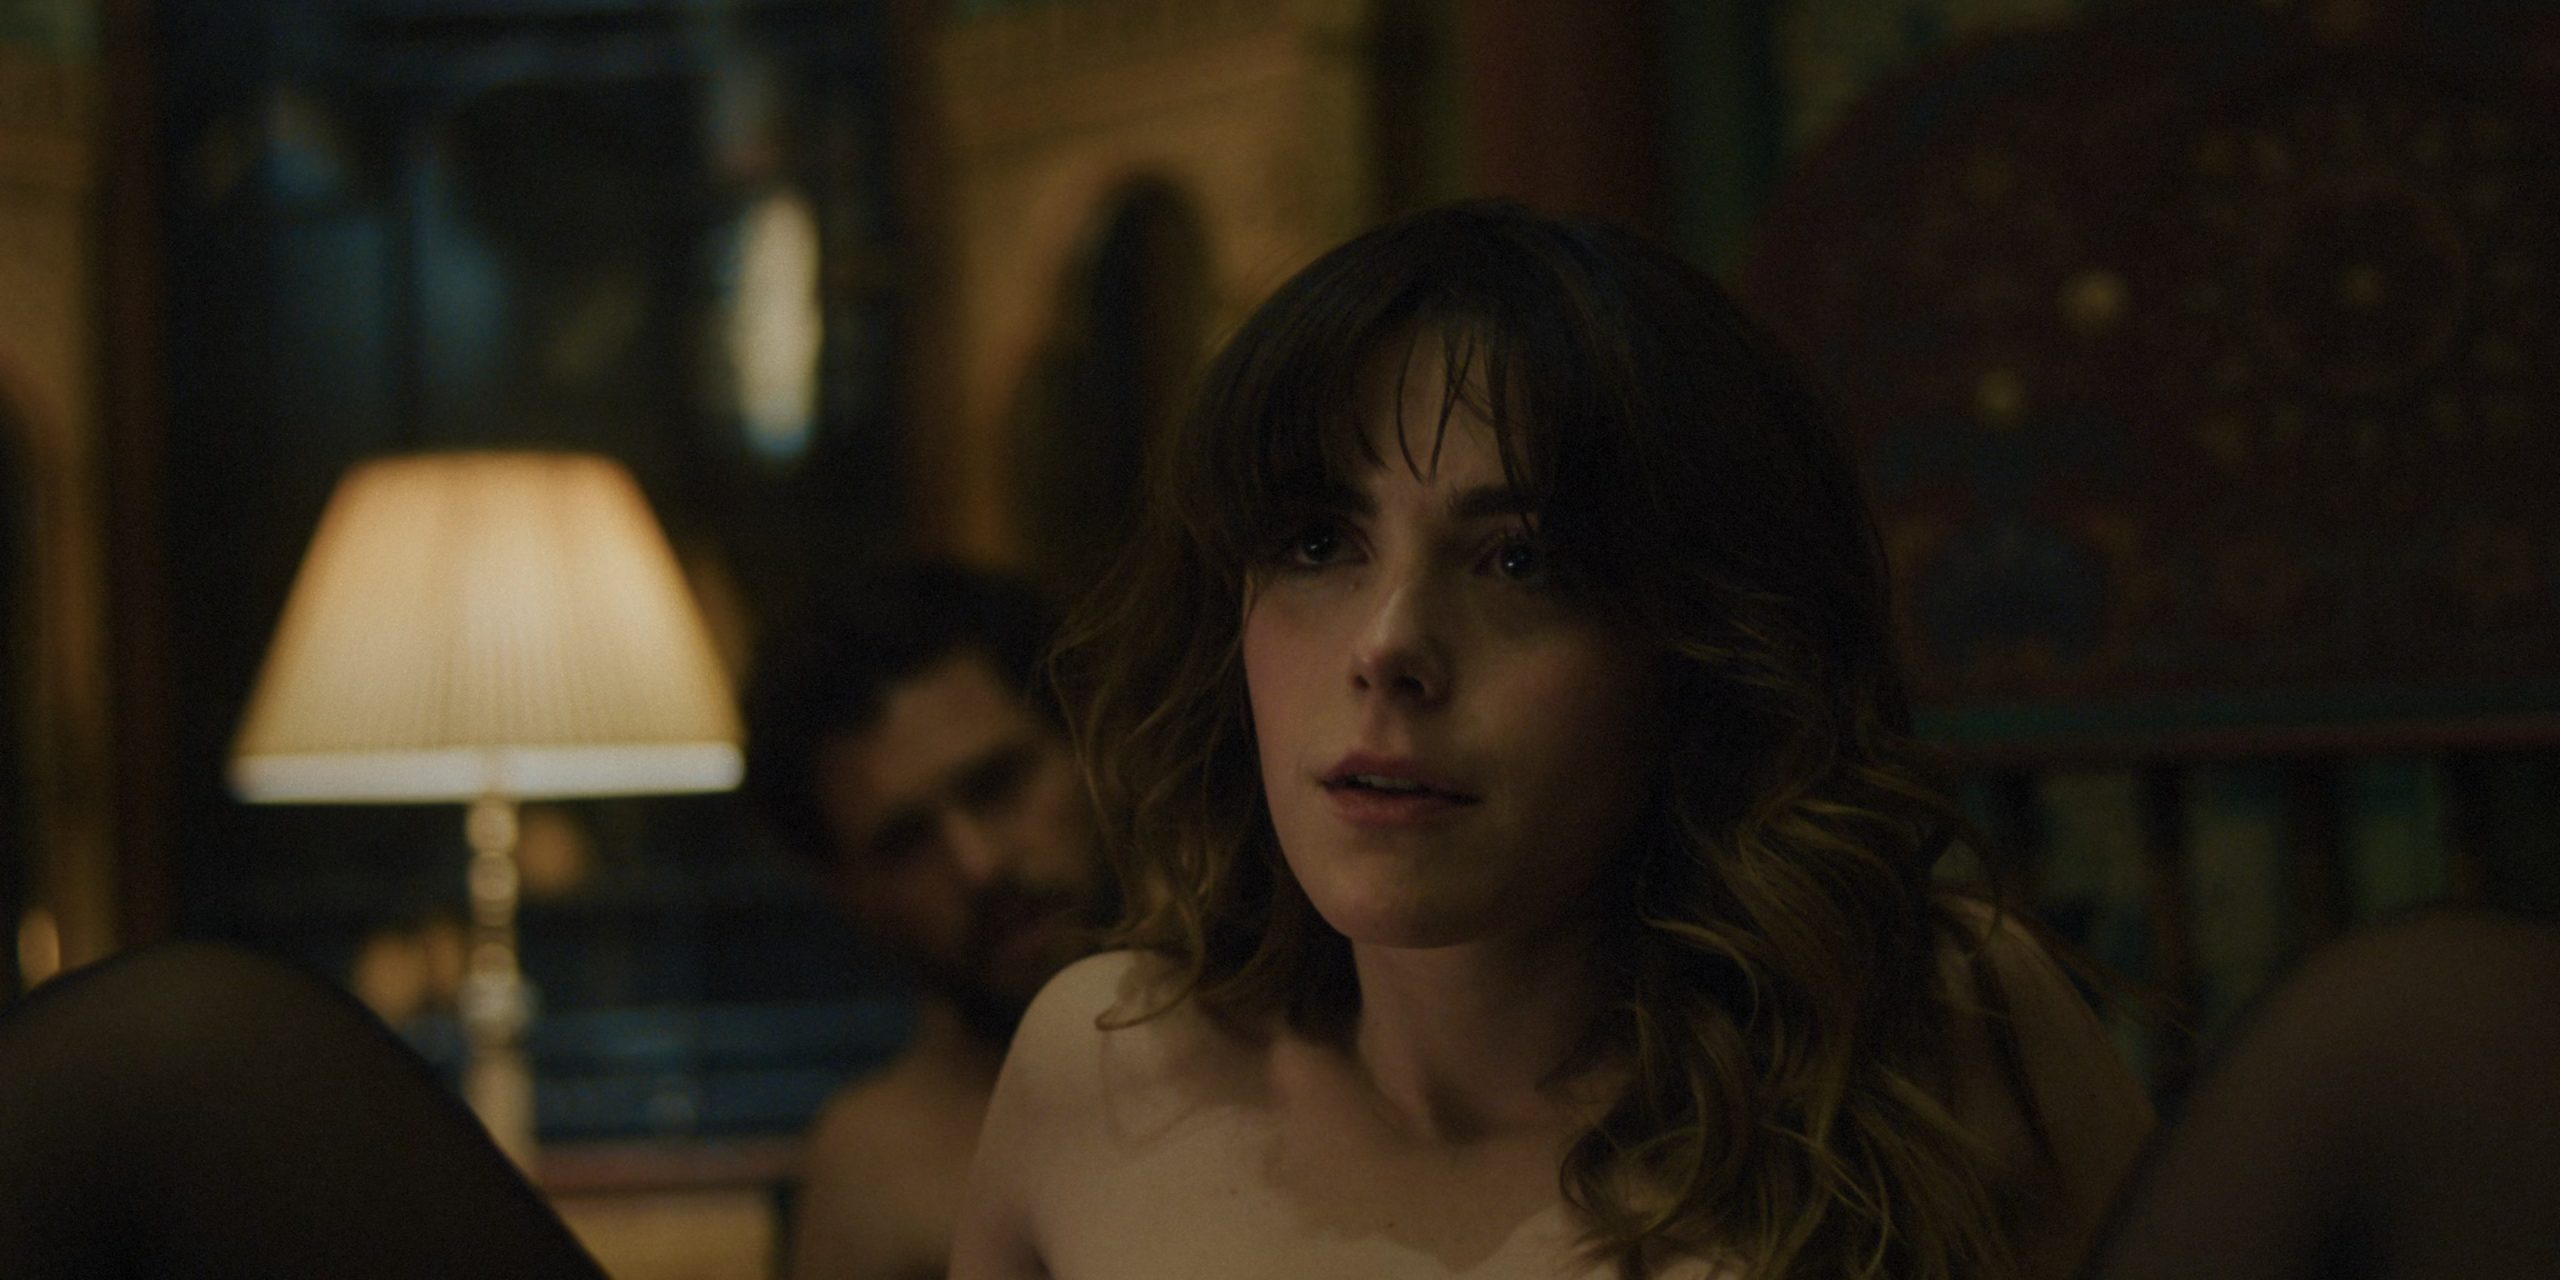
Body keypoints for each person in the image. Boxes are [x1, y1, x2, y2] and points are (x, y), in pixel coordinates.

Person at [947, 200, 2157, 1280]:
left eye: (1520, 560)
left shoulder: (1933, 1038)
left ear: (1699, 648)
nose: (1387, 643)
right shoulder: (1096, 1074)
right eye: (1318, 544)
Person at [739, 565, 1111, 1280]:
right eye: (906, 842)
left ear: (1089, 741)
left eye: (997, 786)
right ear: (846, 891)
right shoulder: (873, 1180)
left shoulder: (1293, 1035)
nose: (979, 865)